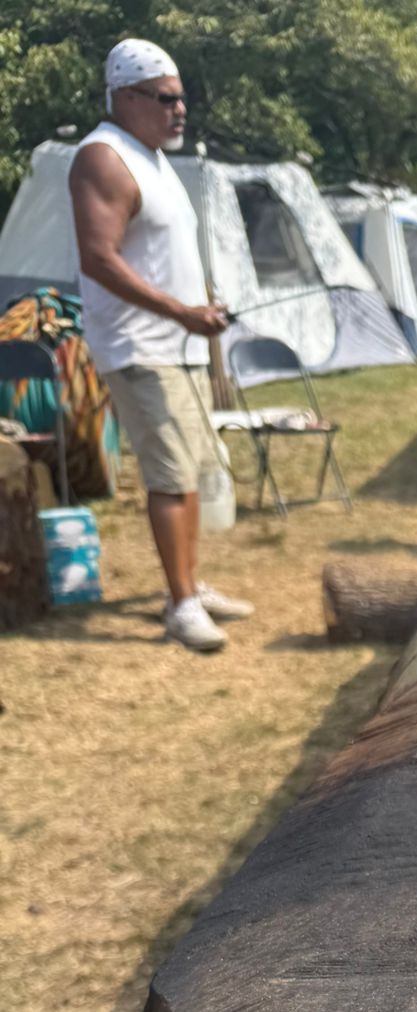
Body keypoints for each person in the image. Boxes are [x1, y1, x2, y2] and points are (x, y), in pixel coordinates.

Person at [69, 39, 251, 653]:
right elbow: (99, 258)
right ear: (126, 97)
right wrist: (180, 313)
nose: (180, 110)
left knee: (191, 469)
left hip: (181, 344)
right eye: (166, 99)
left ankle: (189, 587)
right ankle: (180, 606)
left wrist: (203, 313)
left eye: (181, 99)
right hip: (141, 346)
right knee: (170, 477)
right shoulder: (103, 157)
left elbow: (165, 256)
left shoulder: (153, 158)